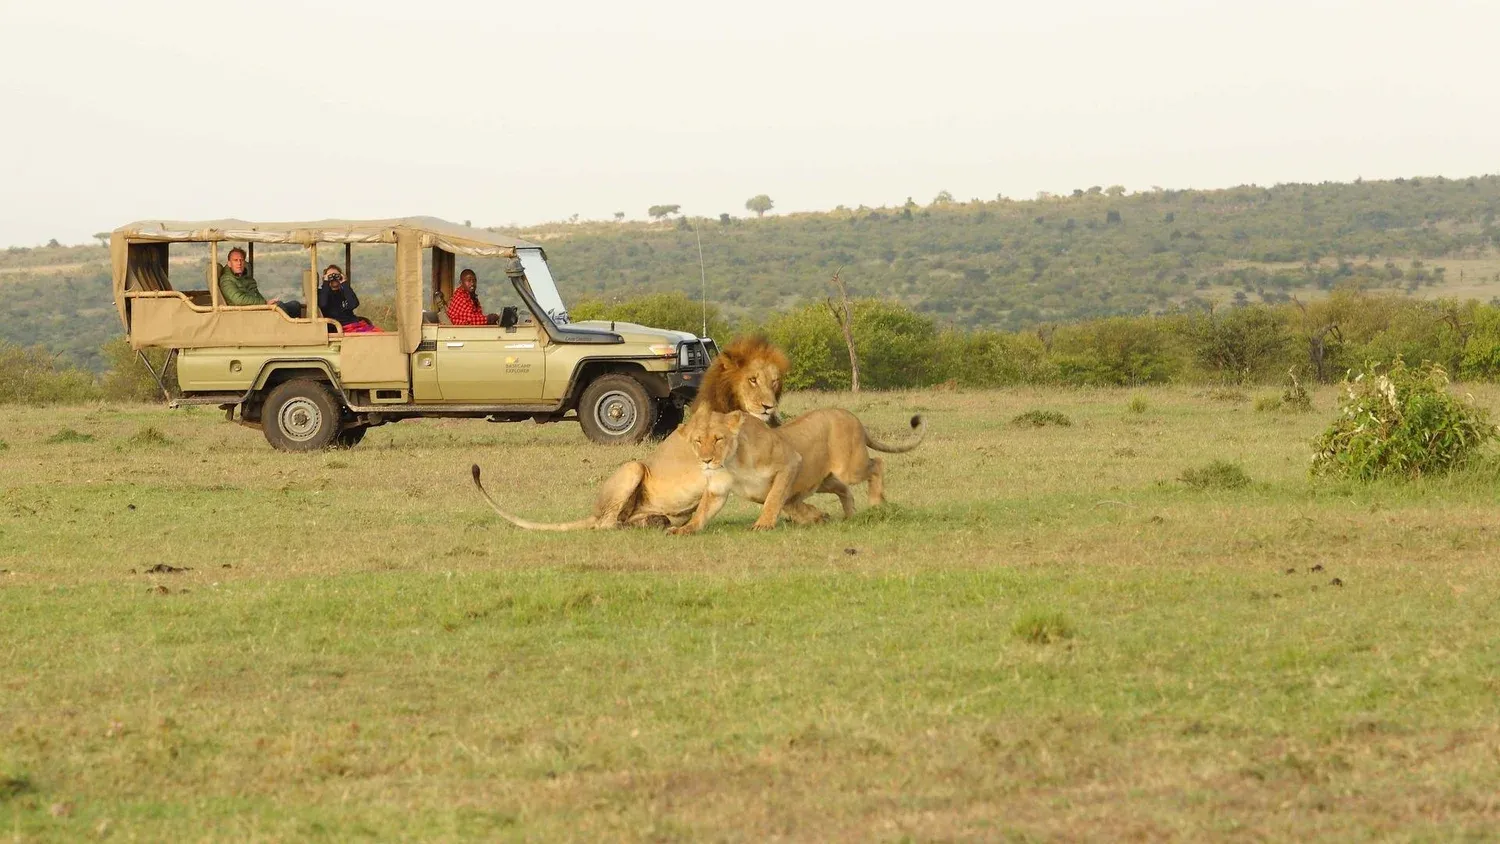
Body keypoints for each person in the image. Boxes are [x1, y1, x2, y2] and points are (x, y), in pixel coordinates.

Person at [218, 246, 304, 317]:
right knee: (279, 306)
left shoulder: (245, 277)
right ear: (229, 263)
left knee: (294, 305)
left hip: (256, 309)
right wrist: (264, 303)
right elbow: (238, 300)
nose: (239, 263)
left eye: (241, 260)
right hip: (245, 314)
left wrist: (266, 304)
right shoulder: (226, 280)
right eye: (235, 260)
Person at [317, 264, 377, 332]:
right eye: (330, 276)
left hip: (353, 324)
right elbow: (323, 304)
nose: (333, 278)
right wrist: (326, 283)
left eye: (336, 275)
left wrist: (344, 283)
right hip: (338, 327)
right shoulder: (322, 292)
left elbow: (354, 304)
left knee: (379, 333)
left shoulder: (345, 291)